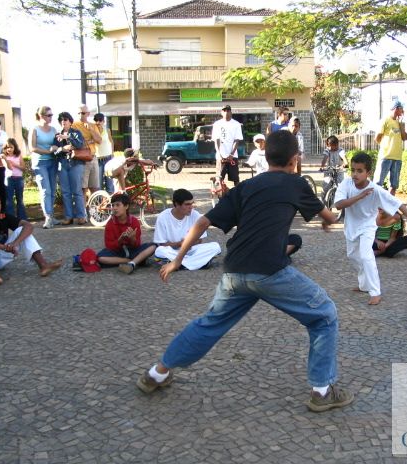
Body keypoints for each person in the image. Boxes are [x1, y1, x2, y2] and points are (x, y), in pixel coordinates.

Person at [137, 130, 354, 413]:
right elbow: (330, 217)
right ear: (294, 159)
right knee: (324, 315)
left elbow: (202, 223)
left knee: (209, 324)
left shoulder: (247, 187)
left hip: (234, 272)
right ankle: (322, 391)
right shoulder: (296, 183)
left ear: (266, 156)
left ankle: (156, 373)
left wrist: (178, 260)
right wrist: (328, 220)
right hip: (270, 271)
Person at [333, 152, 407, 305]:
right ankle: (364, 285)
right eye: (353, 170)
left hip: (367, 227)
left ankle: (375, 292)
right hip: (351, 227)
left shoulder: (375, 190)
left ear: (368, 173)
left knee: (366, 255)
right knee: (353, 256)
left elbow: (397, 204)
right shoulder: (346, 184)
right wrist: (360, 196)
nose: (355, 174)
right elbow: (338, 205)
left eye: (360, 171)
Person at [0, 190, 62, 285]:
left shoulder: (3, 217)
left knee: (21, 230)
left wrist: (14, 244)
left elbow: (28, 226)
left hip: (0, 257)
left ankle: (43, 265)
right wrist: (3, 247)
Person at [153, 189, 221, 270]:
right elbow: (162, 244)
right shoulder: (163, 217)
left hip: (190, 250)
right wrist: (179, 244)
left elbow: (199, 240)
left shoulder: (195, 215)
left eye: (192, 203)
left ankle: (179, 264)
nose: (191, 207)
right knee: (159, 251)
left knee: (215, 246)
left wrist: (187, 243)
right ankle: (198, 263)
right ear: (177, 204)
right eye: (187, 204)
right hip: (173, 252)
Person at [96, 193, 157, 274]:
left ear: (126, 206)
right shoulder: (110, 224)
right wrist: (120, 240)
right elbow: (109, 246)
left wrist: (132, 238)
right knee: (100, 258)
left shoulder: (134, 221)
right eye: (113, 205)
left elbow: (137, 245)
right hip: (118, 252)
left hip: (132, 250)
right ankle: (133, 261)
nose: (114, 208)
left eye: (118, 205)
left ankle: (132, 263)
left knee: (153, 246)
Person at [54, 112, 87, 225]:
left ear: (70, 121)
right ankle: (68, 217)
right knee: (65, 192)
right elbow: (54, 150)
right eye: (61, 120)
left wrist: (68, 137)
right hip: (63, 164)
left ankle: (81, 216)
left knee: (77, 191)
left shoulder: (76, 132)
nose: (63, 122)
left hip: (76, 163)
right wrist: (63, 148)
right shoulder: (57, 135)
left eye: (65, 119)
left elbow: (80, 145)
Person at [30, 106, 60, 229]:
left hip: (53, 162)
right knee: (45, 190)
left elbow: (58, 143)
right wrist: (47, 151)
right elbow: (32, 148)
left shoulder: (53, 129)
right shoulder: (35, 129)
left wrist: (56, 147)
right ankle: (47, 217)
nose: (51, 117)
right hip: (40, 163)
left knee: (52, 190)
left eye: (52, 115)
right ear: (41, 116)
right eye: (48, 115)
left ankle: (51, 216)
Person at [374, 101, 407, 195]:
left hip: (397, 157)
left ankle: (390, 203)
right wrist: (385, 146)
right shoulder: (385, 120)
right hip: (385, 156)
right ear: (396, 108)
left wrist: (402, 126)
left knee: (394, 185)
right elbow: (377, 137)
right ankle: (375, 203)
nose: (403, 111)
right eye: (401, 109)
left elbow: (405, 138)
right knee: (378, 183)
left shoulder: (400, 122)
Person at [72, 104, 101, 201]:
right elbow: (77, 142)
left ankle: (94, 209)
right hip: (82, 159)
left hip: (93, 157)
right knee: (83, 188)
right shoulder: (74, 125)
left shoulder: (93, 125)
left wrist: (91, 130)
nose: (81, 115)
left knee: (94, 187)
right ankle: (83, 209)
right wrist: (90, 141)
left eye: (83, 113)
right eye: (79, 113)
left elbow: (99, 140)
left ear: (88, 114)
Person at [212, 105, 243, 186]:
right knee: (219, 179)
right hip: (221, 156)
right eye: (224, 111)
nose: (226, 112)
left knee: (236, 179)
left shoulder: (236, 124)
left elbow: (237, 140)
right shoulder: (217, 124)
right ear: (221, 112)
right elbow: (216, 140)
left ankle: (237, 193)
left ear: (231, 112)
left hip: (233, 156)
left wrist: (232, 154)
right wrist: (219, 153)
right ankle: (218, 193)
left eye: (228, 110)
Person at [0, 138, 27, 220]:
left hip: (19, 179)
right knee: (9, 200)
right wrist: (6, 159)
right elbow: (9, 168)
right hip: (9, 179)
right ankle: (10, 219)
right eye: (7, 147)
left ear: (15, 147)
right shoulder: (4, 157)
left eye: (11, 147)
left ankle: (22, 219)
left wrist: (15, 164)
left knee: (20, 199)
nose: (9, 149)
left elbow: (23, 168)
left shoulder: (18, 156)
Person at [320, 135, 348, 200]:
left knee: (340, 187)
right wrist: (322, 166)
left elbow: (345, 160)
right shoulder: (327, 150)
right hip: (329, 171)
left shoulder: (340, 151)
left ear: (337, 144)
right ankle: (324, 201)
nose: (330, 147)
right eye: (329, 146)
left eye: (332, 146)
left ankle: (341, 201)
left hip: (339, 172)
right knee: (326, 186)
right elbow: (325, 158)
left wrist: (344, 165)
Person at [94, 112, 115, 193]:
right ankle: (99, 200)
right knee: (98, 184)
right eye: (96, 120)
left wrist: (112, 153)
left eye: (100, 120)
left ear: (103, 121)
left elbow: (111, 141)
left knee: (109, 182)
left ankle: (110, 199)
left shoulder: (107, 130)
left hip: (108, 158)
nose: (98, 122)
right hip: (98, 159)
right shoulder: (93, 131)